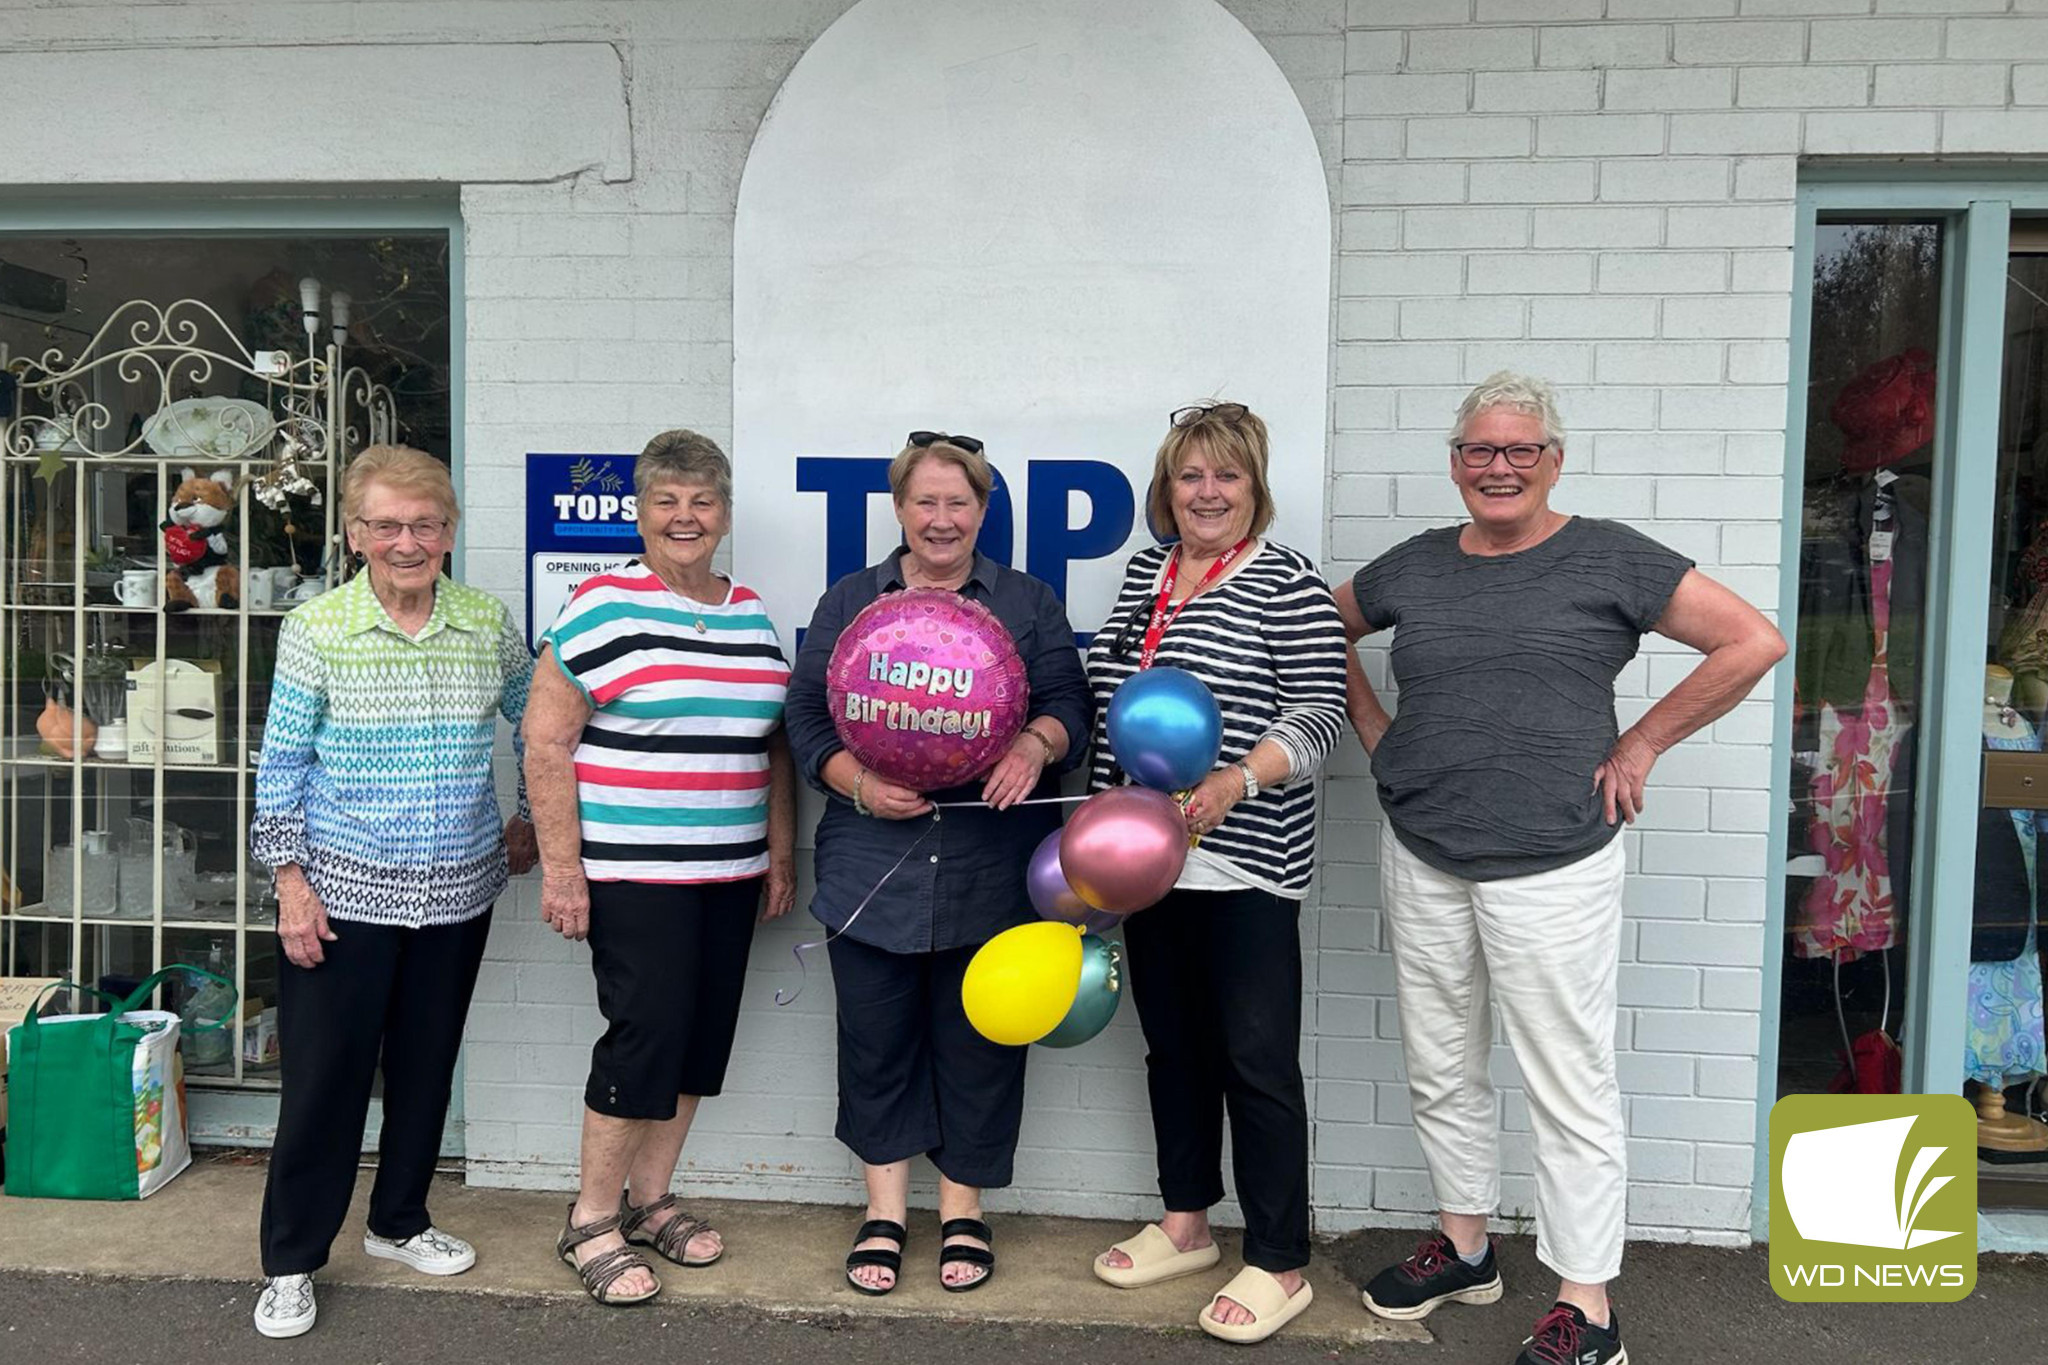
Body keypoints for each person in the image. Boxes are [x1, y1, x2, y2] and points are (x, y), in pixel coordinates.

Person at [1338, 373, 1785, 1365]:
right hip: (1424, 848)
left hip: (1554, 859)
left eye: (1518, 449)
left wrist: (1642, 746)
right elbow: (1322, 627)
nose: (1497, 467)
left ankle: (1586, 1305)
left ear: (1552, 460)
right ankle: (1463, 1247)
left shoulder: (1609, 555)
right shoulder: (1414, 565)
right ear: (1453, 462)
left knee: (1564, 1080)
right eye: (1477, 451)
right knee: (1440, 1062)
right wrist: (1381, 737)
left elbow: (1751, 641)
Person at [783, 431, 1092, 1296]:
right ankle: (884, 1214)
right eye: (926, 501)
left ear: (983, 510)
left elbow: (1071, 700)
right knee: (875, 1042)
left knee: (979, 1047)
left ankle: (964, 1213)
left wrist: (1036, 742)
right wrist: (855, 782)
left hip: (988, 870)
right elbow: (807, 714)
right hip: (870, 868)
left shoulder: (1028, 602)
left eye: (960, 502)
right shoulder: (852, 598)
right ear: (900, 508)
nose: (942, 518)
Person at [250, 444, 538, 1339]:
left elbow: (541, 720)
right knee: (326, 1081)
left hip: (457, 891)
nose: (405, 542)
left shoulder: (484, 622)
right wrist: (290, 885)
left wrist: (531, 814)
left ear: (449, 533)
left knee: (424, 1065)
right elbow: (280, 765)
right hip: (341, 893)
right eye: (385, 525)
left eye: (422, 524)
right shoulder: (317, 628)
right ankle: (293, 1259)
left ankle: (398, 1220)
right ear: (354, 532)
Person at [1085, 402, 1348, 1345]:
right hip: (1150, 863)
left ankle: (1278, 1259)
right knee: (1173, 1051)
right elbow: (1117, 694)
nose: (1206, 492)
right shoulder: (1148, 573)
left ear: (1254, 488)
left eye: (1225, 476)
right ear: (1168, 488)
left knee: (1257, 1062)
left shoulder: (1287, 582)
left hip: (1247, 863)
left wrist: (1238, 778)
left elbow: (1322, 714)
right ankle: (1188, 1220)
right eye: (1190, 476)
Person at [524, 429, 797, 1306]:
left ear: (723, 514)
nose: (685, 516)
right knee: (641, 1042)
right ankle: (590, 1218)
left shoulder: (750, 611)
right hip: (635, 874)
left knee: (694, 1048)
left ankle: (650, 1199)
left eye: (702, 501)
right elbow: (545, 739)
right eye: (666, 501)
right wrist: (563, 869)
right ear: (639, 513)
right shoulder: (603, 606)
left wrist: (780, 851)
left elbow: (774, 746)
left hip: (729, 873)